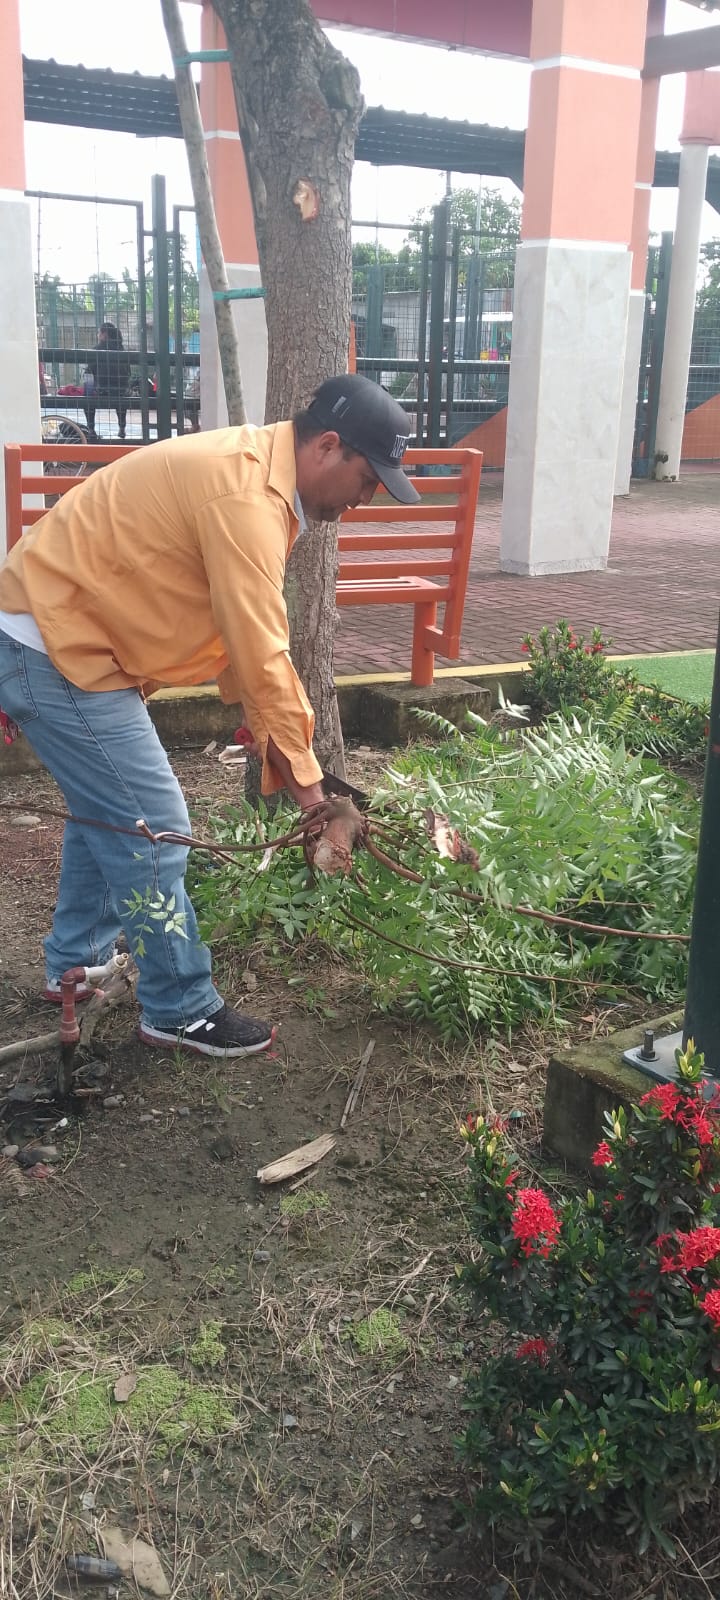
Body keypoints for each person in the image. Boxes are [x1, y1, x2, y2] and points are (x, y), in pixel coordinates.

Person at [0, 375, 420, 1059]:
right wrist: (315, 800)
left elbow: (232, 630)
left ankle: (75, 964)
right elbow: (261, 656)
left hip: (59, 632)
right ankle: (179, 1007)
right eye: (368, 479)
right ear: (328, 446)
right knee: (155, 827)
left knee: (111, 811)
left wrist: (282, 750)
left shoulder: (257, 474)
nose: (367, 498)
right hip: (54, 644)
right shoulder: (247, 498)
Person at [83, 322, 132, 441]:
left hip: (102, 391)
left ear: (104, 334)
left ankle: (91, 428)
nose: (98, 335)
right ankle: (122, 427)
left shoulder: (97, 350)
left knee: (87, 395)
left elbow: (90, 372)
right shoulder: (122, 350)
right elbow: (128, 372)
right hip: (121, 392)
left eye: (99, 332)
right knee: (121, 397)